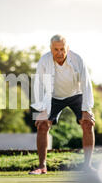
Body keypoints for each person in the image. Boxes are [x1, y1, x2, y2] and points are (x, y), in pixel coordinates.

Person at [30, 34, 95, 174]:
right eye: (56, 49)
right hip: (53, 96)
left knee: (87, 123)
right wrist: (41, 110)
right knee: (42, 124)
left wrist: (86, 110)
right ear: (50, 49)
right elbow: (38, 85)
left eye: (62, 49)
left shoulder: (78, 59)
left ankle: (87, 167)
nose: (59, 53)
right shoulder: (44, 60)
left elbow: (86, 84)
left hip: (76, 94)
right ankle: (42, 166)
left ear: (67, 48)